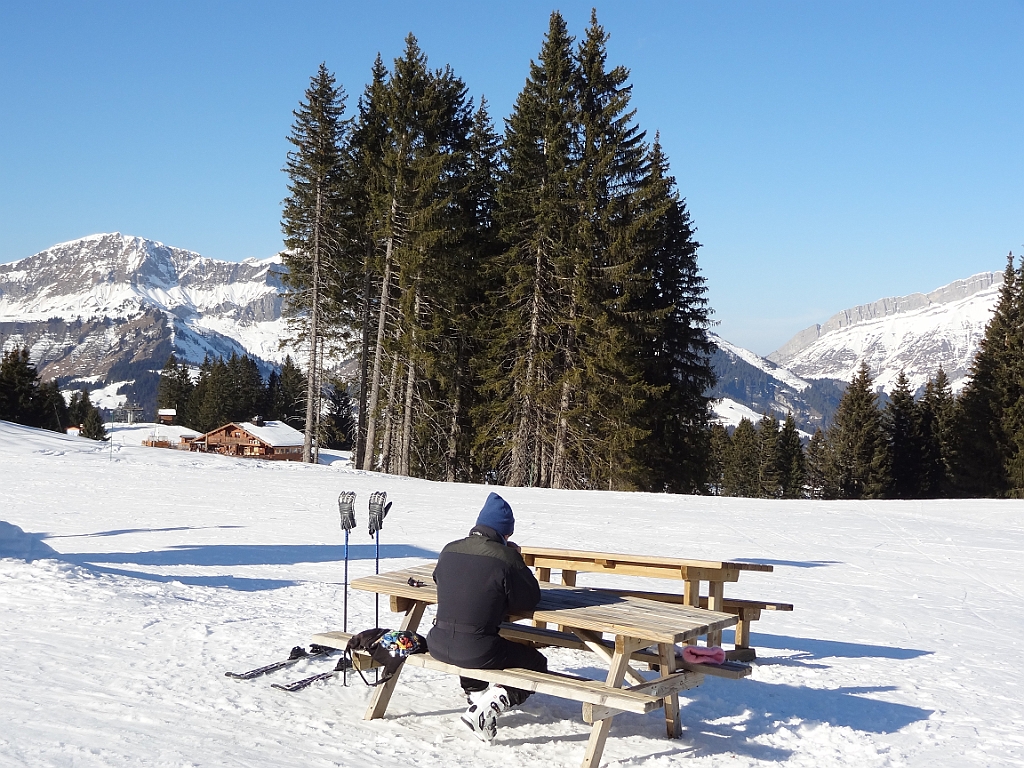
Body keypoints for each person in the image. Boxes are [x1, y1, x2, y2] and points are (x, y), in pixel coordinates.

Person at [427, 492, 547, 742]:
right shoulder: (506, 558)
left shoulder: (449, 549)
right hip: (476, 649)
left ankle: (476, 694)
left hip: (436, 642)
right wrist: (516, 561)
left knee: (470, 639)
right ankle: (486, 709)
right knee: (536, 663)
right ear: (504, 533)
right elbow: (528, 599)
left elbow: (439, 580)